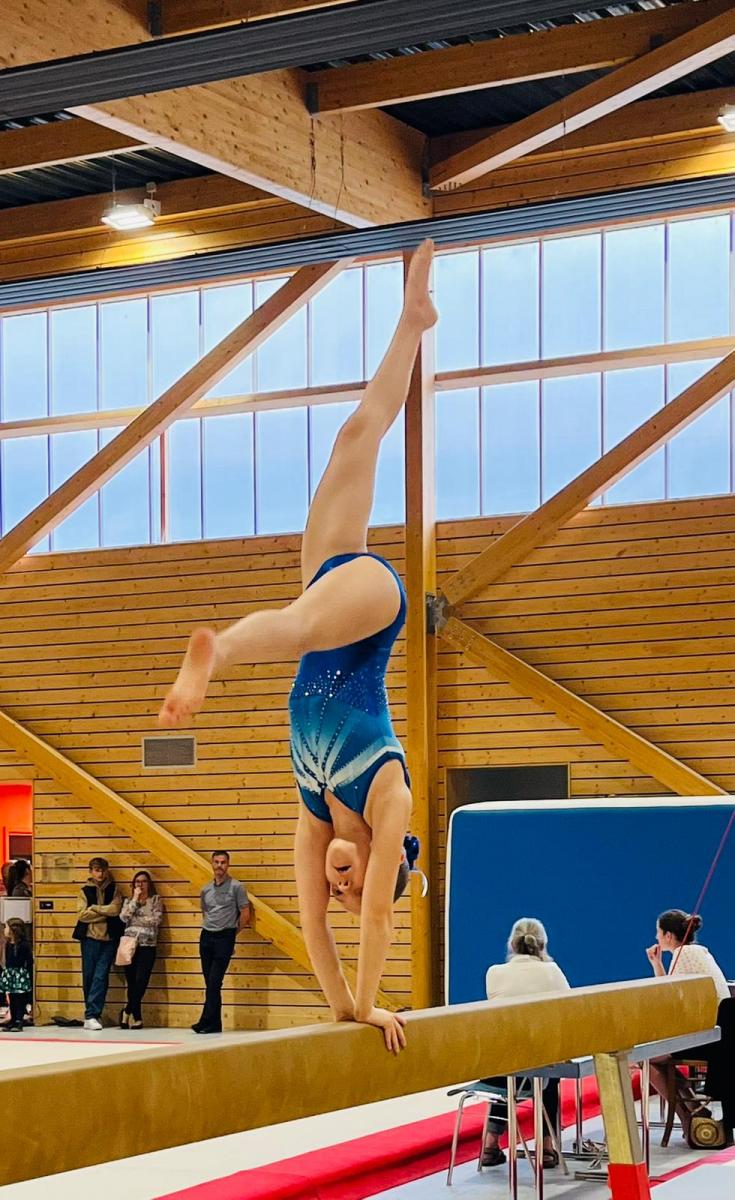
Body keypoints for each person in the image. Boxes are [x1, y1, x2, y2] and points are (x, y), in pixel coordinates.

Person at [159, 240, 437, 1053]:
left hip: (325, 590)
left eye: (334, 884)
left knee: (356, 434)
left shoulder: (313, 818)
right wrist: (372, 1001)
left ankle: (412, 321)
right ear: (380, 863)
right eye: (353, 880)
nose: (338, 883)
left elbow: (314, 928)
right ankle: (215, 654)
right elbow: (376, 918)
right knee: (302, 628)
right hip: (369, 608)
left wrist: (343, 1011)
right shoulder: (390, 800)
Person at [481, 918, 570, 1170]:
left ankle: (490, 1143)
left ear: (512, 944)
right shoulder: (552, 971)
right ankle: (546, 1146)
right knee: (546, 1071)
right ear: (543, 945)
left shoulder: (494, 973)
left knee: (510, 1064)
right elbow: (571, 1010)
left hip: (497, 1070)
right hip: (536, 1068)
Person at [646, 909, 730, 1137]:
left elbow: (668, 1000)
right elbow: (669, 991)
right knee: (655, 1059)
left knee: (644, 1059)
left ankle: (686, 1116)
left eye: (658, 932)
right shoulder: (698, 952)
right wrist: (656, 963)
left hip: (711, 1040)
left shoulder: (683, 954)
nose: (656, 937)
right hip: (716, 1034)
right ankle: (694, 1110)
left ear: (668, 935)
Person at [193, 851, 249, 1034]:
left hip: (225, 937)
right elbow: (205, 912)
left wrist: (231, 934)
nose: (219, 866)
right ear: (212, 864)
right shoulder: (206, 889)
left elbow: (245, 914)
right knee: (210, 983)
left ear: (228, 865)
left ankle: (205, 1020)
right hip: (207, 936)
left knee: (215, 981)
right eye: (216, 862)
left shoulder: (237, 887)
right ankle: (214, 1024)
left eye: (223, 862)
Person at [72, 857, 123, 1031]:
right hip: (89, 939)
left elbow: (115, 910)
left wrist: (94, 908)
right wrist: (104, 913)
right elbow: (82, 915)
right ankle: (91, 1013)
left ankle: (92, 1014)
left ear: (107, 871)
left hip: (109, 939)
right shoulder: (84, 891)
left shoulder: (114, 889)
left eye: (102, 870)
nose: (100, 874)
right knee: (89, 976)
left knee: (101, 976)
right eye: (96, 870)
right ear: (91, 871)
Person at [119, 870, 164, 1030]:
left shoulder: (155, 900)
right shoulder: (128, 901)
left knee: (141, 980)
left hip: (147, 945)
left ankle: (127, 1010)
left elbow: (156, 920)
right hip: (130, 944)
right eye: (137, 882)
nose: (141, 884)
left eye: (144, 881)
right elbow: (124, 917)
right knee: (131, 982)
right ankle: (137, 1018)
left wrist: (136, 920)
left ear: (149, 884)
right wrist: (135, 900)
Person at [1, 918, 32, 1032]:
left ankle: (19, 1020)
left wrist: (26, 974)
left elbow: (29, 961)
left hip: (20, 974)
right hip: (10, 973)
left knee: (20, 998)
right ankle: (13, 1019)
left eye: (6, 927)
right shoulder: (8, 944)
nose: (4, 930)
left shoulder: (24, 945)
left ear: (13, 930)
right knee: (12, 998)